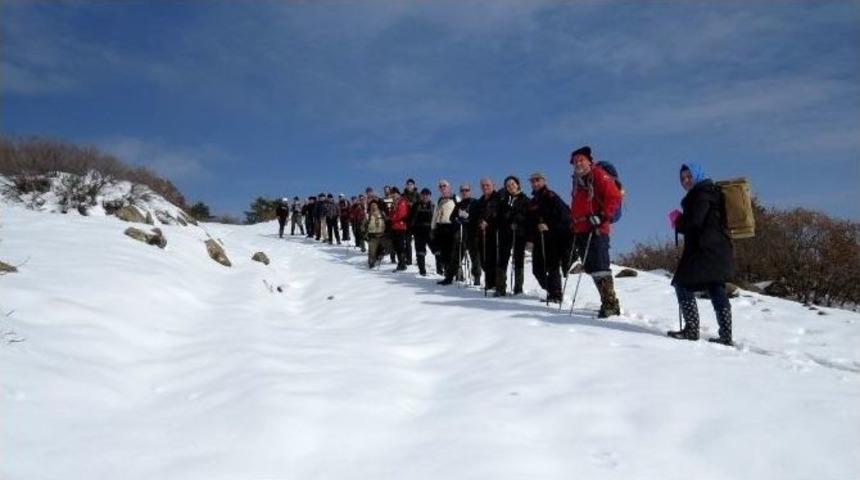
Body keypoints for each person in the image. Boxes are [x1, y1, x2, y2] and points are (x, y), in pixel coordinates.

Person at [667, 163, 734, 345]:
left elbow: (695, 223)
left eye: (689, 176)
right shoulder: (711, 192)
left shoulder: (701, 194)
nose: (685, 181)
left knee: (682, 283)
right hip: (719, 249)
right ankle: (726, 335)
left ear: (697, 175)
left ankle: (691, 330)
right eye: (682, 178)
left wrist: (678, 221)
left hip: (705, 249)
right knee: (715, 286)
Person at [570, 146, 623, 317]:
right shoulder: (577, 181)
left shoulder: (598, 174)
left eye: (581, 160)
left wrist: (602, 216)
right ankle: (607, 301)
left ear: (589, 161)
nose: (578, 163)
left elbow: (614, 196)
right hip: (582, 229)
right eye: (575, 161)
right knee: (592, 267)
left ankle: (610, 304)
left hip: (597, 228)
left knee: (600, 265)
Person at [525, 172, 570, 304]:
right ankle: (552, 291)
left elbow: (565, 214)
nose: (535, 183)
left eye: (537, 180)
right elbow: (530, 222)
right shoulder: (532, 201)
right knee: (537, 270)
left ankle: (556, 295)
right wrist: (530, 238)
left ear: (544, 181)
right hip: (538, 239)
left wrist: (549, 225)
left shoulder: (551, 196)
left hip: (553, 237)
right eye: (532, 181)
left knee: (552, 267)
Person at [496, 176, 529, 296]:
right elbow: (499, 215)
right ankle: (500, 288)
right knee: (502, 259)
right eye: (508, 185)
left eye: (512, 184)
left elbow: (527, 215)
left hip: (519, 233)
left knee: (518, 259)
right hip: (505, 233)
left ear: (518, 184)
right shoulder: (503, 199)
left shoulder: (525, 199)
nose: (510, 186)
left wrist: (518, 220)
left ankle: (518, 288)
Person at [474, 178, 501, 291]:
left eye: (487, 185)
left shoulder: (499, 197)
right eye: (483, 186)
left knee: (494, 260)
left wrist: (489, 222)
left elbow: (500, 214)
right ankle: (490, 283)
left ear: (493, 185)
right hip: (482, 233)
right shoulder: (480, 201)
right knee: (484, 260)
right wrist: (480, 222)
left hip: (495, 233)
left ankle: (495, 284)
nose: (485, 187)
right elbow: (476, 216)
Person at [432, 179, 457, 281]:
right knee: (443, 253)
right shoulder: (439, 200)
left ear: (449, 187)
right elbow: (435, 214)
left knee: (451, 253)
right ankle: (448, 275)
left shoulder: (455, 199)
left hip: (450, 228)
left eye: (444, 186)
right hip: (440, 228)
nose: (442, 188)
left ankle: (455, 275)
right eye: (440, 186)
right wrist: (433, 228)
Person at [410, 188, 435, 276]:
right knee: (420, 252)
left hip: (430, 232)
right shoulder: (416, 206)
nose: (425, 196)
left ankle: (440, 271)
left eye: (427, 195)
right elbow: (411, 218)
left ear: (430, 196)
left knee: (437, 251)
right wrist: (413, 230)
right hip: (419, 232)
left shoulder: (433, 206)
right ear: (420, 196)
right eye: (423, 194)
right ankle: (422, 271)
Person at [388, 187, 411, 271]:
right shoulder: (392, 203)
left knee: (400, 245)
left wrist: (392, 219)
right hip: (394, 227)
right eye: (392, 193)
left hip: (401, 227)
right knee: (396, 245)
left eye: (395, 193)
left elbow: (401, 214)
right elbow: (390, 213)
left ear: (398, 193)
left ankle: (402, 263)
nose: (393, 195)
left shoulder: (402, 201)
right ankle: (401, 263)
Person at [363, 202, 387, 268]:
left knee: (381, 249)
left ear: (377, 206)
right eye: (372, 206)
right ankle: (371, 263)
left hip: (382, 234)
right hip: (372, 235)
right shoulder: (368, 215)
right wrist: (364, 234)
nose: (374, 207)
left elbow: (387, 221)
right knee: (372, 251)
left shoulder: (382, 213)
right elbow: (363, 225)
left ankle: (378, 258)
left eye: (375, 205)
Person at [402, 178, 419, 266]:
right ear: (406, 185)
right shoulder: (403, 195)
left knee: (418, 242)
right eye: (408, 184)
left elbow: (420, 205)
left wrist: (413, 205)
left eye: (411, 184)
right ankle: (408, 259)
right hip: (407, 221)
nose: (410, 186)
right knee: (407, 241)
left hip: (416, 221)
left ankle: (419, 259)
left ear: (414, 185)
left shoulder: (418, 195)